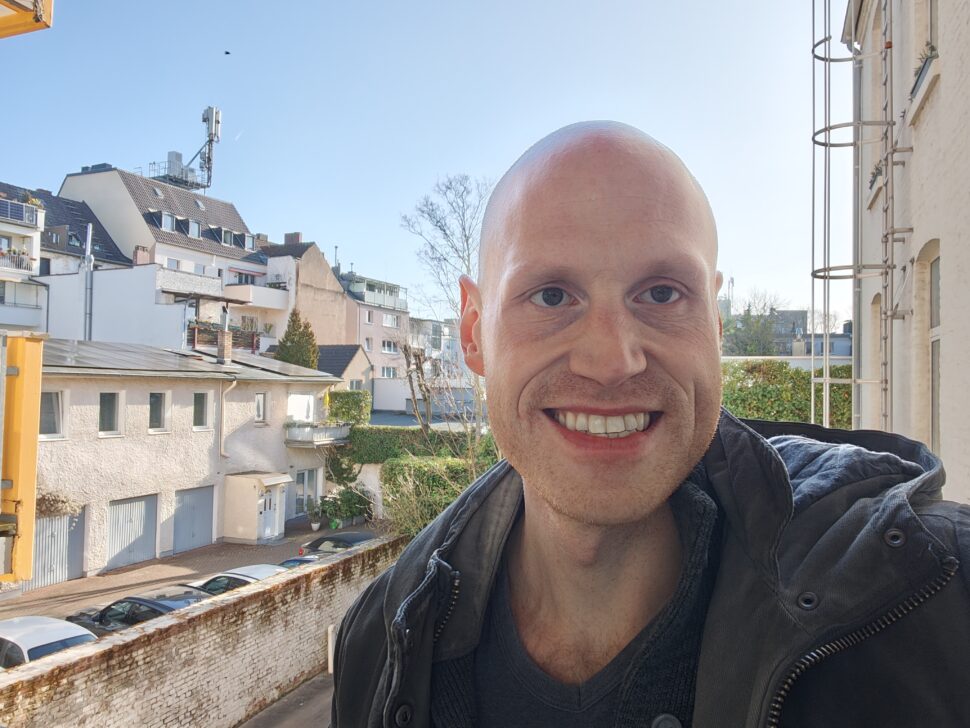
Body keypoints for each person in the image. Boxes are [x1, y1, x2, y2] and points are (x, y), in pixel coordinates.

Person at [330, 122, 970, 728]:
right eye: (551, 295)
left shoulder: (938, 592)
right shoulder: (380, 645)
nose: (612, 361)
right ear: (474, 331)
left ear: (713, 325)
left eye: (662, 293)